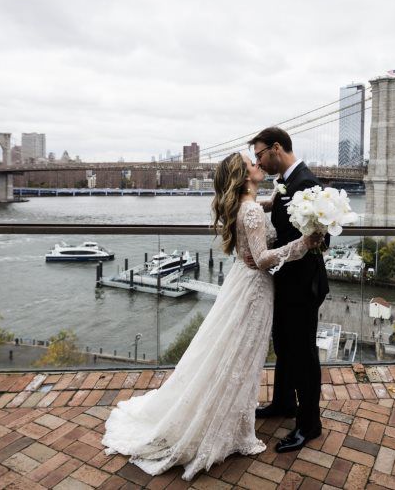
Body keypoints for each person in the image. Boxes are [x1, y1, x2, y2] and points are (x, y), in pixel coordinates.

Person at [101, 150, 322, 481]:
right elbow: (262, 259)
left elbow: (255, 217)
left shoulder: (246, 207)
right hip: (255, 289)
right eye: (253, 164)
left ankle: (228, 417)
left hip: (243, 285)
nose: (259, 165)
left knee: (236, 355)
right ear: (244, 176)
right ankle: (231, 427)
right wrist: (304, 243)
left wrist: (275, 197)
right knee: (243, 358)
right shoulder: (249, 211)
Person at [246, 126, 330, 453]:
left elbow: (321, 238)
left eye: (260, 154)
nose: (259, 161)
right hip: (286, 281)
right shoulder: (286, 183)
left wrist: (315, 240)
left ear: (277, 148)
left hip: (303, 286)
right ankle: (283, 403)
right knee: (283, 346)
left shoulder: (306, 183)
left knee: (303, 356)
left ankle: (310, 425)